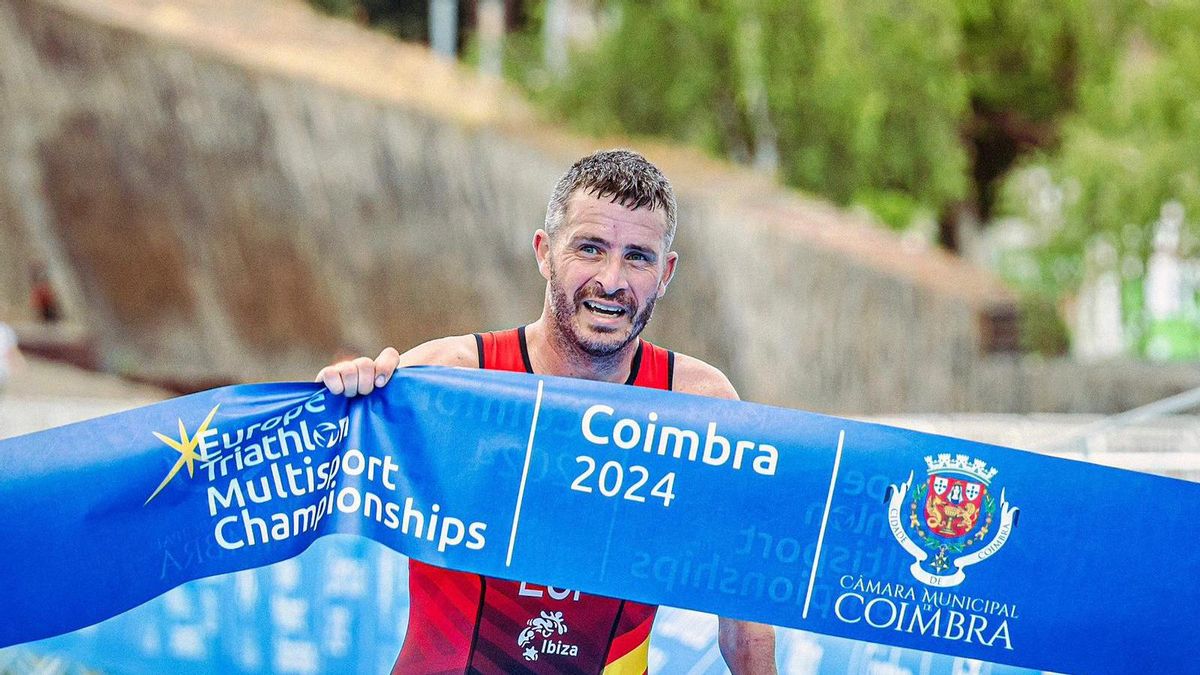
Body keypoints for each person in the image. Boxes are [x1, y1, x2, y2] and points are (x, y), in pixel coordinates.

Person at [318, 150, 776, 674]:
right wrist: (337, 397)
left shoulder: (699, 406)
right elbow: (297, 466)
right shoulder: (448, 376)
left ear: (666, 271)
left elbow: (744, 612)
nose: (612, 280)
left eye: (638, 257)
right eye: (590, 248)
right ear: (544, 251)